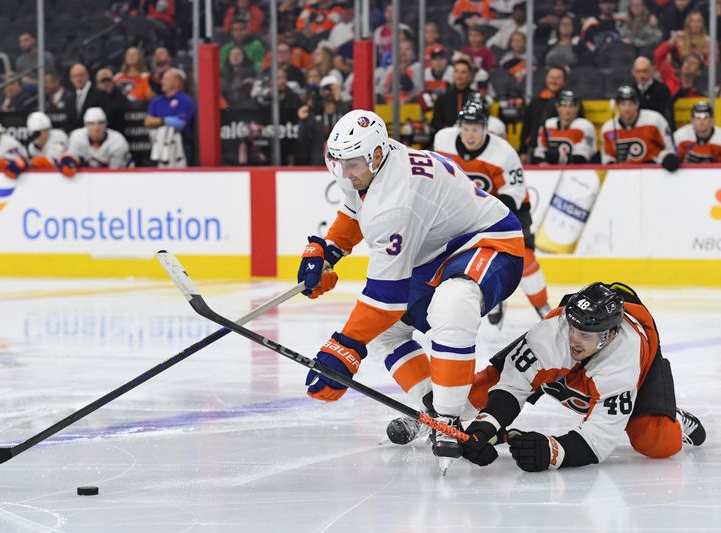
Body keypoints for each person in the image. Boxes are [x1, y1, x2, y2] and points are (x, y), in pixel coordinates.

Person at [297, 109, 524, 467]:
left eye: (351, 164)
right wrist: (328, 250)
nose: (344, 172)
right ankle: (433, 403)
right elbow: (355, 210)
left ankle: (447, 420)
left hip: (489, 243)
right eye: (339, 163)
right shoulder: (373, 163)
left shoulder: (395, 200)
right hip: (435, 254)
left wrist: (342, 350)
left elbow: (387, 298)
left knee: (452, 305)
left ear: (374, 155)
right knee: (385, 333)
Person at [456, 282, 705, 472]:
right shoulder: (554, 332)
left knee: (653, 441)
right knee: (483, 388)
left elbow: (599, 439)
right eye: (574, 328)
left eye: (586, 334)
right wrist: (486, 425)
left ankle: (676, 419)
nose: (575, 338)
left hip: (633, 368)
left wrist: (552, 452)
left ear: (609, 335)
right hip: (572, 368)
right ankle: (430, 418)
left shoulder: (624, 357)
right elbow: (512, 384)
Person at [434, 97, 551, 326]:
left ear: (486, 128)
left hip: (509, 208)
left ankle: (542, 306)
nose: (469, 135)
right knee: (466, 257)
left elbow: (514, 192)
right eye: (465, 128)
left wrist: (484, 214)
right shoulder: (443, 140)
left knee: (524, 257)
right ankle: (495, 296)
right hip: (467, 210)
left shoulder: (504, 153)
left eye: (475, 129)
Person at [600, 85, 679, 172]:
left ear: (637, 104)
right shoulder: (607, 129)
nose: (627, 108)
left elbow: (670, 149)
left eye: (631, 104)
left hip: (653, 172)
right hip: (623, 176)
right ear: (617, 106)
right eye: (623, 104)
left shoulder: (654, 120)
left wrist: (666, 158)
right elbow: (607, 159)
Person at [144, 68, 195, 166]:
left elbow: (180, 123)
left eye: (166, 79)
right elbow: (147, 122)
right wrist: (167, 120)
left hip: (181, 146)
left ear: (177, 82)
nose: (162, 82)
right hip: (157, 146)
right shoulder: (157, 101)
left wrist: (160, 120)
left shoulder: (185, 100)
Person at [60, 107, 132, 176]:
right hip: (84, 179)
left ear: (106, 124)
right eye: (92, 123)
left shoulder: (117, 141)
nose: (96, 127)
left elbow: (115, 173)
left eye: (100, 123)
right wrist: (69, 164)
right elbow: (70, 158)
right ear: (86, 125)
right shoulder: (76, 137)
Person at [533, 90, 597, 164]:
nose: (567, 110)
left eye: (571, 106)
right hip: (551, 173)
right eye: (564, 105)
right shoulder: (548, 125)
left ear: (577, 108)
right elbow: (539, 153)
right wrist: (542, 162)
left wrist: (559, 157)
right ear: (558, 108)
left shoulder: (584, 127)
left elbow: (581, 158)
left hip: (577, 173)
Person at [519, 65, 566, 163]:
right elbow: (526, 128)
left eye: (558, 78)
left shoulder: (570, 104)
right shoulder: (535, 102)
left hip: (561, 152)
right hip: (536, 152)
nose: (554, 81)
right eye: (551, 77)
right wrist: (523, 151)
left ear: (564, 81)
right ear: (546, 79)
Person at [430, 58, 476, 134]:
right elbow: (435, 122)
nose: (459, 76)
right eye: (456, 71)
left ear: (469, 75)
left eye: (463, 72)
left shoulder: (476, 98)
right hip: (447, 138)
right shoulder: (443, 98)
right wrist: (448, 131)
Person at [631, 56, 673, 128]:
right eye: (638, 71)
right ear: (633, 72)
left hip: (656, 129)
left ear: (652, 71)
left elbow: (664, 115)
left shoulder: (662, 90)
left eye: (645, 71)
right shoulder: (631, 91)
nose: (642, 75)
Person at [65, 64, 101, 131]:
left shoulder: (100, 94)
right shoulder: (70, 99)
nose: (78, 79)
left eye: (80, 75)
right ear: (71, 79)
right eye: (75, 76)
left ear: (87, 75)